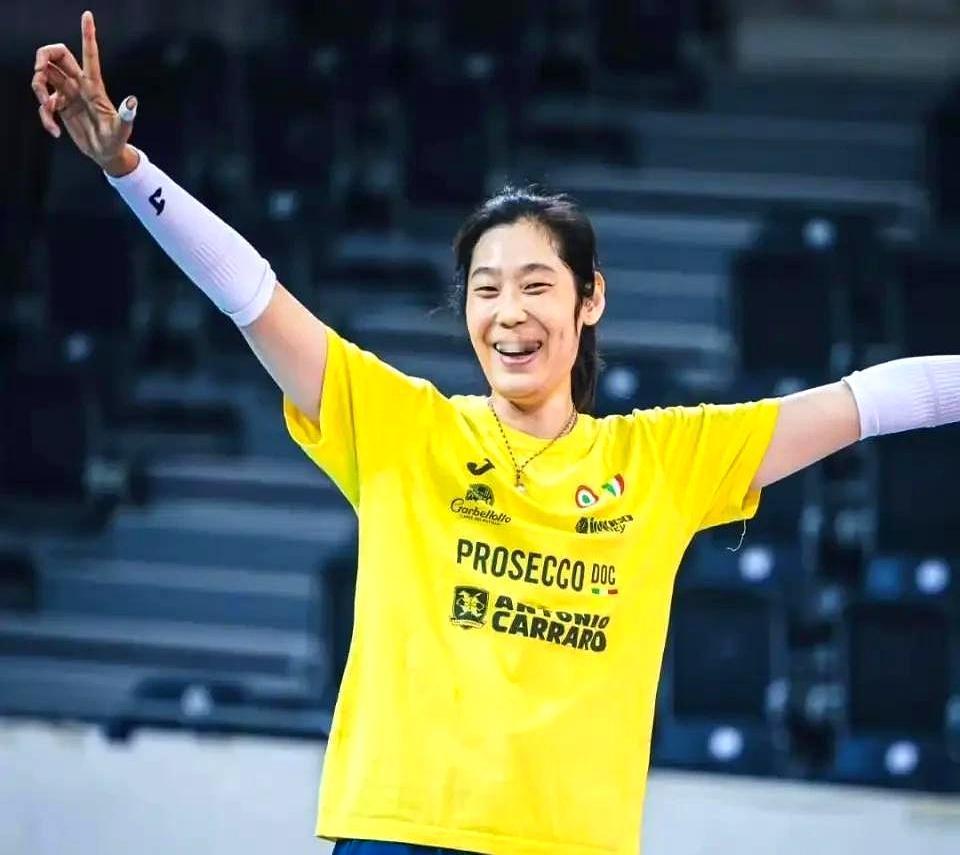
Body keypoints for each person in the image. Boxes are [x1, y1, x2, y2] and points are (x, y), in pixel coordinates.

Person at [31, 11, 959, 855]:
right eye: (486, 288)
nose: (509, 312)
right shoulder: (403, 426)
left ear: (591, 299)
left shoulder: (665, 458)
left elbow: (872, 400)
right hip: (399, 834)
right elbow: (250, 293)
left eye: (537, 284)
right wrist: (129, 171)